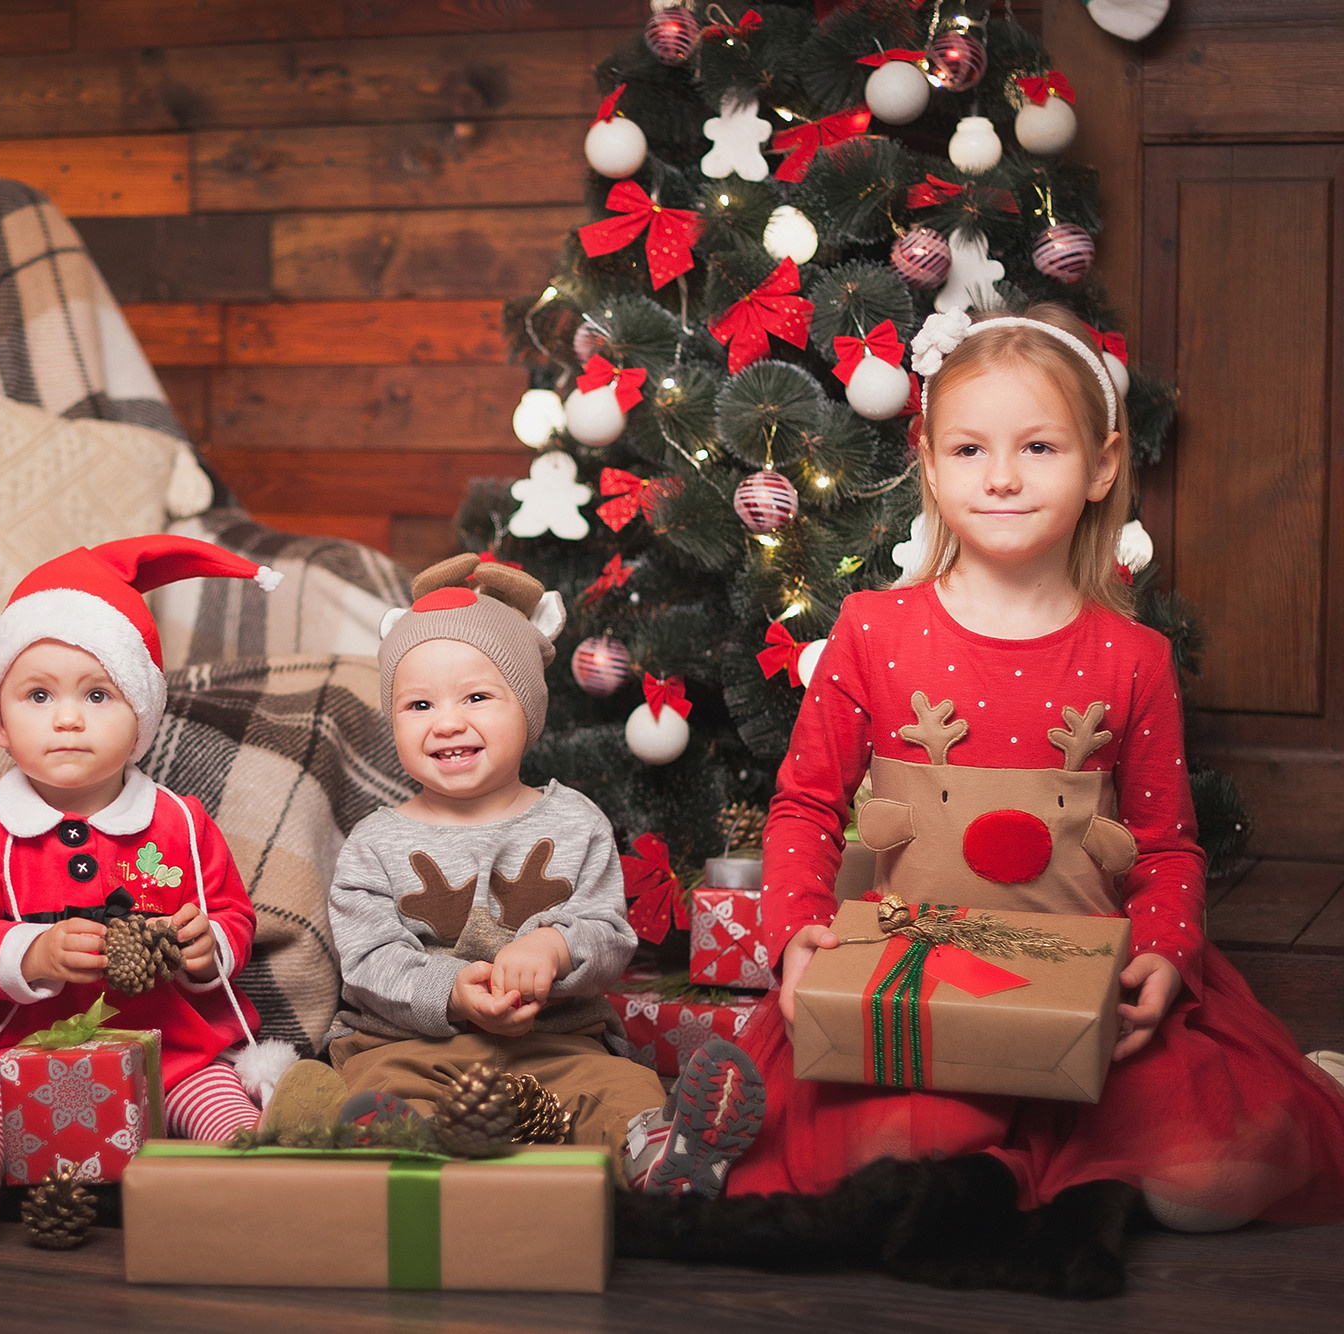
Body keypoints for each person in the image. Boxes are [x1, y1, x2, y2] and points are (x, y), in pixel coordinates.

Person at [738, 303, 1344, 1228]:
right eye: (972, 451)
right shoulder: (873, 630)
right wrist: (797, 933)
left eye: (1040, 449)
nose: (1004, 479)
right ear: (930, 465)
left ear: (1102, 466)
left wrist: (1162, 959)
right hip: (917, 976)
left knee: (1215, 1177)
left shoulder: (1131, 656)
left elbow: (1168, 848)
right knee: (905, 1152)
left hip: (1081, 979)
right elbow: (805, 810)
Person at [315, 553, 764, 1194]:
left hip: (555, 1045)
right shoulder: (375, 842)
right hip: (411, 1049)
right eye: (418, 704)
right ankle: (402, 1144)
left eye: (476, 696)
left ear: (528, 708)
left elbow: (609, 934)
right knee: (372, 1086)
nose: (446, 722)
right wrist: (452, 991)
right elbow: (368, 961)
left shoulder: (575, 822)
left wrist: (555, 946)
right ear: (393, 720)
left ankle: (659, 1154)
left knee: (619, 1085)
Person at [0, 536, 298, 1248]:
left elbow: (232, 914)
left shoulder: (177, 821)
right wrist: (34, 951)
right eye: (39, 694)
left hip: (172, 1050)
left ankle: (243, 1170)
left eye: (98, 694)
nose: (68, 718)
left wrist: (211, 947)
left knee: (213, 1100)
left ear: (140, 715)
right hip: (21, 1051)